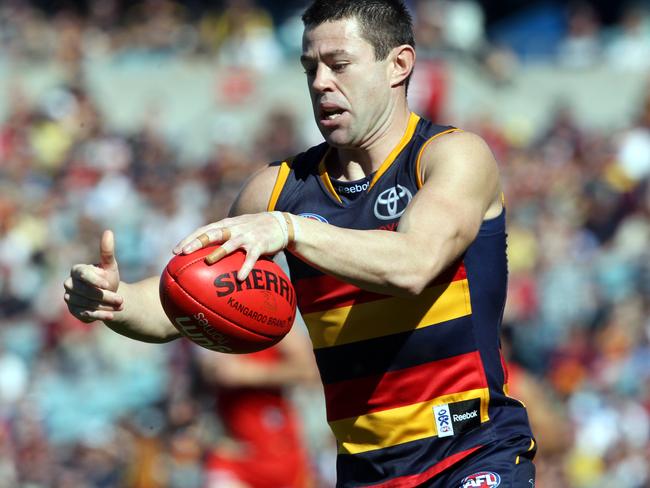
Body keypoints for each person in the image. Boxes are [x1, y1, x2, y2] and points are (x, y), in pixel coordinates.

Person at [64, 0, 537, 486]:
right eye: (310, 67)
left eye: (339, 64)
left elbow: (414, 265)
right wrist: (113, 301)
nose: (320, 83)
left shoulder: (451, 156)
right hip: (365, 471)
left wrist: (290, 229)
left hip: (474, 453)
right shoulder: (277, 190)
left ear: (399, 65)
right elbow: (180, 304)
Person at [198, 330, 319, 488]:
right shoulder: (210, 318)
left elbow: (309, 370)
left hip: (279, 449)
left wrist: (249, 373)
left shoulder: (273, 318)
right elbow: (207, 371)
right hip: (234, 452)